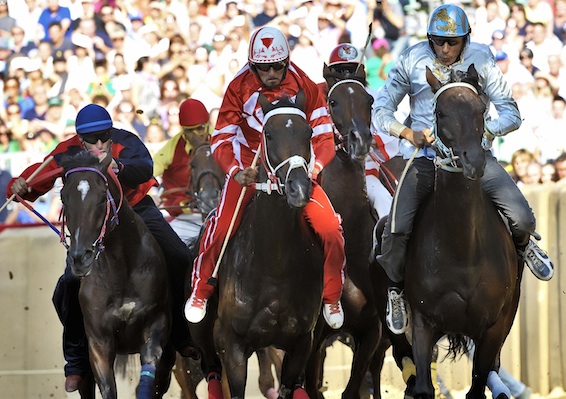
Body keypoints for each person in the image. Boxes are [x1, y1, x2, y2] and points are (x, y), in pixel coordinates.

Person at [372, 4, 555, 336]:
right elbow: (381, 107)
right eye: (437, 42)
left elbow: (511, 113)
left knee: (524, 217)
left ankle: (525, 245)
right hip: (426, 159)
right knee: (396, 229)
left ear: (465, 39)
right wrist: (406, 132)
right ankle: (397, 290)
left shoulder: (483, 59)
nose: (444, 49)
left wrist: (483, 134)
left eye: (452, 42)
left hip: (475, 158)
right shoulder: (412, 58)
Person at [6, 103, 199, 393]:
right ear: (79, 138)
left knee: (180, 256)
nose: (99, 143)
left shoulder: (126, 140)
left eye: (104, 136)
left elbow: (144, 165)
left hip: (136, 209)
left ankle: (183, 336)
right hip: (94, 222)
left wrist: (119, 167)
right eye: (92, 138)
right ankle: (76, 362)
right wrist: (19, 185)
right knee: (70, 282)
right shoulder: (67, 150)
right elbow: (39, 176)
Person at [184, 26, 346, 330]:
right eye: (263, 68)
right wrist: (235, 171)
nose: (271, 73)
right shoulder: (237, 87)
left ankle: (332, 295)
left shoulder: (304, 84)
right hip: (251, 169)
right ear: (252, 64)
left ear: (286, 62)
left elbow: (324, 135)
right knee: (220, 227)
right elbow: (220, 139)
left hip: (295, 170)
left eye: (276, 66)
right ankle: (201, 290)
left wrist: (314, 168)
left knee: (331, 228)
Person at [322, 42, 399, 220]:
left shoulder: (372, 96)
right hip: (324, 172)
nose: (346, 75)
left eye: (351, 69)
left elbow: (389, 133)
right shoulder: (319, 100)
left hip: (364, 172)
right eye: (340, 71)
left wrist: (367, 140)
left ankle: (387, 246)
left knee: (383, 200)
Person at [153, 98, 211, 248]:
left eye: (200, 128)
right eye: (189, 131)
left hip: (221, 212)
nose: (195, 136)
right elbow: (147, 172)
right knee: (170, 246)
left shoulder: (222, 140)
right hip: (188, 217)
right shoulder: (172, 147)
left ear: (208, 124)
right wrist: (150, 195)